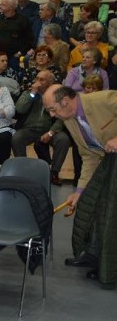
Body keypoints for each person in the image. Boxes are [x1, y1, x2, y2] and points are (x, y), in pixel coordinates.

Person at [43, 86, 117, 287]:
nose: (52, 114)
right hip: (107, 167)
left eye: (52, 109)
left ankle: (110, 266)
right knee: (89, 207)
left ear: (65, 101)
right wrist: (79, 192)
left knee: (110, 212)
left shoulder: (104, 99)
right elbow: (89, 156)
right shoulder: (70, 120)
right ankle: (93, 255)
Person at [12, 70, 70, 186]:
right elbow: (19, 109)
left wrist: (51, 132)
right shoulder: (28, 93)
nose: (37, 82)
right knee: (17, 137)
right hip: (29, 129)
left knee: (63, 139)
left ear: (50, 82)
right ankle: (22, 171)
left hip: (49, 129)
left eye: (41, 79)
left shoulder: (58, 95)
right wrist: (32, 94)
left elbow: (62, 117)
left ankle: (54, 172)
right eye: (37, 78)